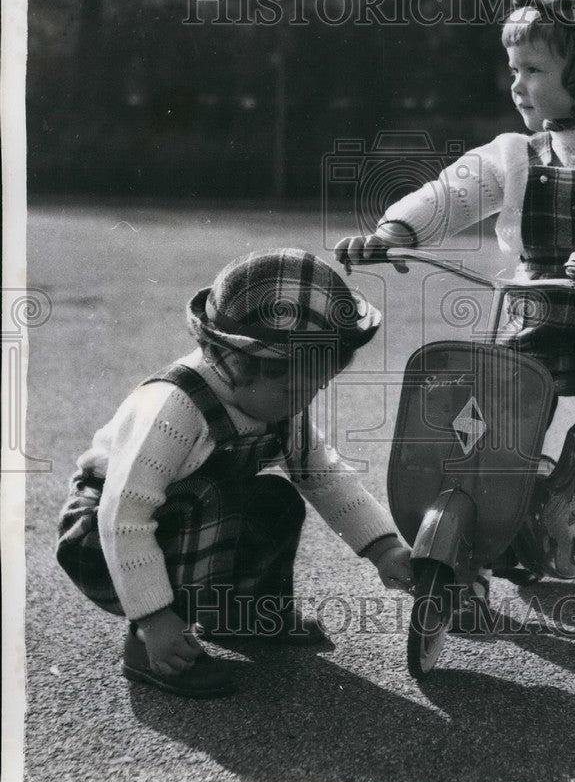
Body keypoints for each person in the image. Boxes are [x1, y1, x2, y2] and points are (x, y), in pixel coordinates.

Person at [336, 0, 575, 546]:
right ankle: (488, 484)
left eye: (533, 71)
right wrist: (395, 228)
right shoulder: (515, 154)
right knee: (491, 380)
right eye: (514, 70)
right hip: (538, 313)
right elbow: (452, 191)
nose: (516, 85)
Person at [57, 249, 413, 698]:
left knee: (274, 499)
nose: (301, 403)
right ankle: (151, 648)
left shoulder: (278, 403)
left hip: (178, 524)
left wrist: (384, 549)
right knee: (211, 494)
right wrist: (153, 617)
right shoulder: (174, 408)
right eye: (291, 389)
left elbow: (325, 477)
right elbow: (123, 516)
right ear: (241, 364)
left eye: (315, 389)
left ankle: (242, 614)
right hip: (101, 540)